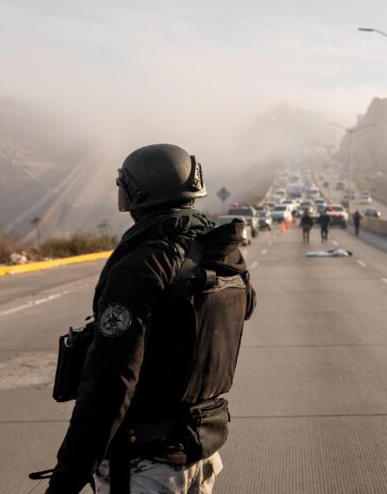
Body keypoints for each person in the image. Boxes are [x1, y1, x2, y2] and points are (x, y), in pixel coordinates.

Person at [44, 144, 256, 494]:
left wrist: (66, 480)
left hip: (146, 466)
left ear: (131, 194)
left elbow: (111, 383)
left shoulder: (141, 266)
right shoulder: (224, 252)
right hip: (199, 456)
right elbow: (245, 310)